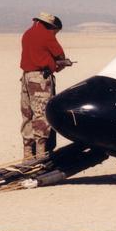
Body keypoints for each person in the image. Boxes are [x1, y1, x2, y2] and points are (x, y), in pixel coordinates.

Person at [19, 12, 73, 159]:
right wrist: (60, 64)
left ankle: (28, 154)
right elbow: (60, 56)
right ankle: (41, 153)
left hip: (26, 77)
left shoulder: (27, 34)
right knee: (41, 115)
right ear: (52, 26)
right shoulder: (46, 36)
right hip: (40, 80)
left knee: (27, 114)